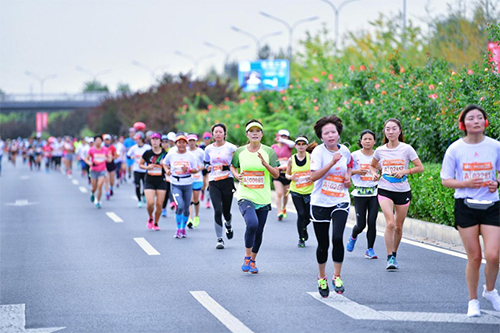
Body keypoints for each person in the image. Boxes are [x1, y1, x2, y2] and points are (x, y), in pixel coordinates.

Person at [440, 105, 500, 317]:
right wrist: (466, 183)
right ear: (463, 124)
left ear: (485, 122)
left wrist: (496, 182)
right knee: (474, 256)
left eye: (479, 117)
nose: (475, 121)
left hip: (492, 205)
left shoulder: (495, 146)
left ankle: (490, 291)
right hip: (466, 205)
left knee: (493, 255)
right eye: (471, 118)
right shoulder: (455, 149)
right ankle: (473, 300)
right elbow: (446, 180)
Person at [369, 118, 424, 270]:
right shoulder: (380, 150)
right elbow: (372, 166)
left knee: (398, 227)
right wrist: (374, 174)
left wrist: (405, 171)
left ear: (399, 131)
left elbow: (420, 167)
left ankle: (394, 253)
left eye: (394, 129)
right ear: (384, 132)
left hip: (403, 190)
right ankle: (389, 258)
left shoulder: (407, 149)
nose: (391, 132)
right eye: (388, 129)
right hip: (385, 189)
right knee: (390, 223)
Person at [310, 115, 352, 297]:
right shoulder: (319, 152)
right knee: (323, 244)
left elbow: (349, 165)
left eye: (333, 132)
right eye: (326, 133)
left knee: (337, 238)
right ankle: (322, 277)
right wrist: (332, 162)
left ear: (338, 134)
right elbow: (313, 176)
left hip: (340, 200)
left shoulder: (346, 151)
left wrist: (349, 177)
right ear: (321, 136)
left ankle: (337, 276)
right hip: (320, 202)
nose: (330, 135)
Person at [231, 119, 280, 274]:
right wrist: (236, 175)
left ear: (261, 134)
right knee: (252, 223)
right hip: (245, 195)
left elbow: (277, 174)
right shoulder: (240, 152)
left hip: (263, 198)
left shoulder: (269, 152)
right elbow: (232, 166)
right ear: (247, 134)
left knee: (259, 231)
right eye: (251, 131)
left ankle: (253, 260)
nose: (254, 134)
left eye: (257, 131)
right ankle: (246, 257)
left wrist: (266, 165)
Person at [346, 130, 380, 259]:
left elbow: (383, 169)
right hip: (360, 193)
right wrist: (356, 171)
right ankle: (353, 237)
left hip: (374, 193)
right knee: (361, 225)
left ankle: (370, 249)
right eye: (365, 139)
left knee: (372, 222)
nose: (367, 141)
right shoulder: (354, 155)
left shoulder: (378, 155)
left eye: (370, 139)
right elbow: (346, 171)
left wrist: (377, 176)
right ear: (360, 141)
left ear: (374, 141)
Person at [204, 123, 237, 249]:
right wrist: (207, 167)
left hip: (227, 181)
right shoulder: (208, 149)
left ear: (224, 134)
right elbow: (206, 161)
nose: (218, 134)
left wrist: (226, 167)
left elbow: (236, 164)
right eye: (215, 132)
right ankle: (219, 239)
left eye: (220, 132)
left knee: (226, 211)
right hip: (213, 181)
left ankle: (228, 224)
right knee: (217, 210)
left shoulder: (231, 148)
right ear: (212, 134)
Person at [163, 134, 199, 238]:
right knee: (180, 206)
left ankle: (183, 228)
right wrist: (167, 170)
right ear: (176, 144)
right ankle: (178, 229)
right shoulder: (171, 154)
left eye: (183, 142)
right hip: (176, 184)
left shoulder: (191, 156)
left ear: (186, 144)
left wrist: (188, 169)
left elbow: (196, 169)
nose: (181, 144)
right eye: (179, 142)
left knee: (186, 208)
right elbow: (165, 163)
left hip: (187, 183)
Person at [285, 135, 314, 248]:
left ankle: (304, 227)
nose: (301, 146)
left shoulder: (311, 158)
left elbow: (316, 170)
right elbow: (287, 174)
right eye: (299, 144)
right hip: (296, 191)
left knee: (308, 217)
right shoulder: (291, 159)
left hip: (309, 191)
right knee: (301, 214)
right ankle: (301, 238)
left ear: (306, 146)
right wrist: (290, 177)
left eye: (303, 144)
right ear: (295, 146)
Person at [139, 133, 168, 231]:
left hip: (161, 181)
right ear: (150, 141)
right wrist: (147, 167)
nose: (155, 141)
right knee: (150, 203)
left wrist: (165, 166)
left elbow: (170, 165)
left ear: (160, 141)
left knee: (159, 204)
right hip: (149, 180)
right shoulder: (147, 153)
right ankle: (150, 217)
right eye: (153, 139)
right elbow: (140, 164)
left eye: (157, 139)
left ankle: (156, 222)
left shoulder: (165, 154)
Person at [272, 129, 295, 221]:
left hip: (287, 173)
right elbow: (271, 159)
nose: (284, 138)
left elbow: (293, 144)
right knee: (279, 193)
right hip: (277, 173)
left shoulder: (288, 146)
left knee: (286, 195)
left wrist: (282, 139)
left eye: (286, 136)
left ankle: (284, 207)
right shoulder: (274, 147)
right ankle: (279, 211)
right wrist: (280, 161)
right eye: (282, 136)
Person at [84, 135, 112, 209]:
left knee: (100, 186)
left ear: (102, 141)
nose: (98, 142)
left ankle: (98, 201)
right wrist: (90, 163)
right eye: (97, 140)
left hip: (102, 170)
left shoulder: (105, 149)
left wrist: (108, 158)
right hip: (94, 170)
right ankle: (92, 193)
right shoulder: (91, 150)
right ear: (94, 141)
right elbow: (86, 159)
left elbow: (109, 158)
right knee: (94, 187)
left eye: (100, 140)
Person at [126, 132, 151, 208]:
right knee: (137, 185)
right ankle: (139, 200)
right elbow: (128, 155)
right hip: (136, 169)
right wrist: (131, 157)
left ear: (142, 139)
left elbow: (152, 156)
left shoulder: (147, 147)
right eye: (136, 139)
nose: (137, 141)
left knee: (145, 185)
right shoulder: (134, 148)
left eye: (139, 139)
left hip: (145, 169)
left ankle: (143, 194)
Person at [187, 134, 205, 228]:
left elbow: (205, 164)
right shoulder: (185, 152)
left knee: (195, 199)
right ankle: (189, 218)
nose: (192, 143)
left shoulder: (200, 152)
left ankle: (196, 216)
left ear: (196, 141)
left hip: (198, 178)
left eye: (193, 141)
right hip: (187, 179)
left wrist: (199, 169)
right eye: (190, 141)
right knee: (189, 200)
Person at [103, 134, 118, 200]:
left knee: (111, 180)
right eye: (105, 140)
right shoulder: (102, 148)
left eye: (108, 140)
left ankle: (111, 188)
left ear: (110, 140)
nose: (107, 141)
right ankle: (107, 192)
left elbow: (116, 155)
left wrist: (112, 158)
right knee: (106, 179)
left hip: (111, 164)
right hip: (104, 165)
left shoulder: (112, 147)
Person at [200, 131, 212, 209]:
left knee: (208, 184)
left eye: (208, 138)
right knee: (203, 185)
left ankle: (208, 201)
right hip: (202, 167)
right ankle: (202, 192)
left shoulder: (212, 147)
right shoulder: (201, 147)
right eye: (205, 138)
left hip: (209, 167)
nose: (207, 140)